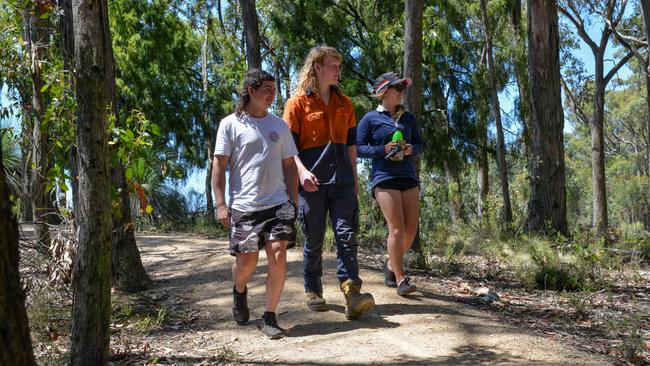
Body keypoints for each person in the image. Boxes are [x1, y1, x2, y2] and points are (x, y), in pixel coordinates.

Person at [282, 45, 375, 320]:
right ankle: (313, 288)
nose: (338, 70)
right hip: (311, 182)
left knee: (347, 235)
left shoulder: (345, 103)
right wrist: (300, 172)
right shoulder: (297, 103)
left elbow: (350, 144)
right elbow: (288, 148)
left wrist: (355, 178)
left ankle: (351, 292)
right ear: (317, 68)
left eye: (339, 66)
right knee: (314, 237)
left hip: (343, 181)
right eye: (333, 65)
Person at [212, 69, 299, 339]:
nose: (272, 94)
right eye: (267, 89)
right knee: (247, 264)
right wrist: (221, 204)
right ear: (251, 90)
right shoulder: (230, 124)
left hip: (278, 204)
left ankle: (270, 316)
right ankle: (239, 290)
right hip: (245, 207)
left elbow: (290, 167)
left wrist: (292, 202)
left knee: (278, 253)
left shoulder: (279, 126)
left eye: (274, 90)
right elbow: (219, 166)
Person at [357, 72, 423, 296]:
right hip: (384, 178)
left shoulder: (409, 118)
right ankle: (401, 278)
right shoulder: (370, 119)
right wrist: (382, 150)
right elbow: (358, 148)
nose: (402, 92)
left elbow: (419, 144)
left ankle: (389, 266)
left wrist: (410, 149)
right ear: (384, 92)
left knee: (410, 231)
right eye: (398, 88)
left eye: (403, 88)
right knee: (396, 228)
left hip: (408, 176)